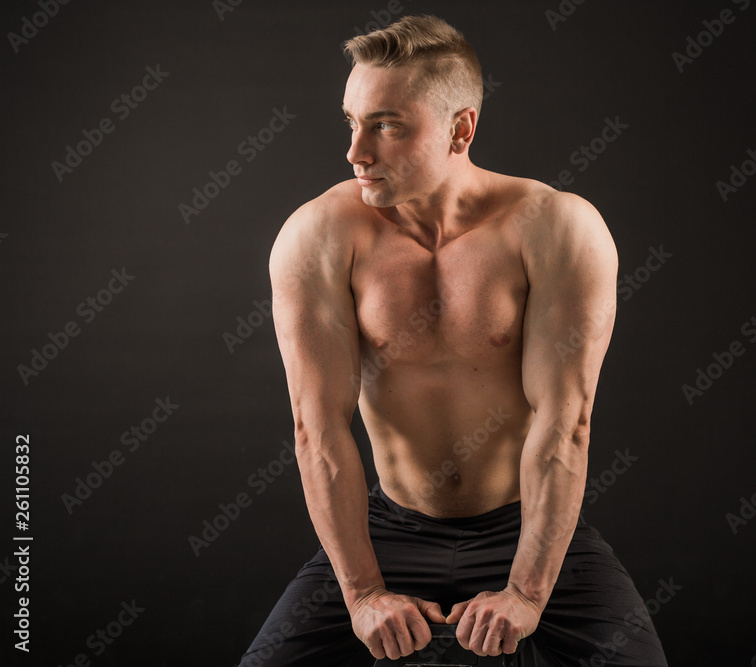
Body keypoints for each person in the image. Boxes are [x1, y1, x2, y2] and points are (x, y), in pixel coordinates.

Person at [239, 13, 668, 667]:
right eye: (352, 122)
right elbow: (316, 426)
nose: (357, 151)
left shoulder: (555, 229)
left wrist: (526, 592)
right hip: (386, 529)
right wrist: (362, 594)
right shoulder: (321, 234)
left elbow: (565, 422)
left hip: (526, 523)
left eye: (386, 125)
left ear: (460, 129)